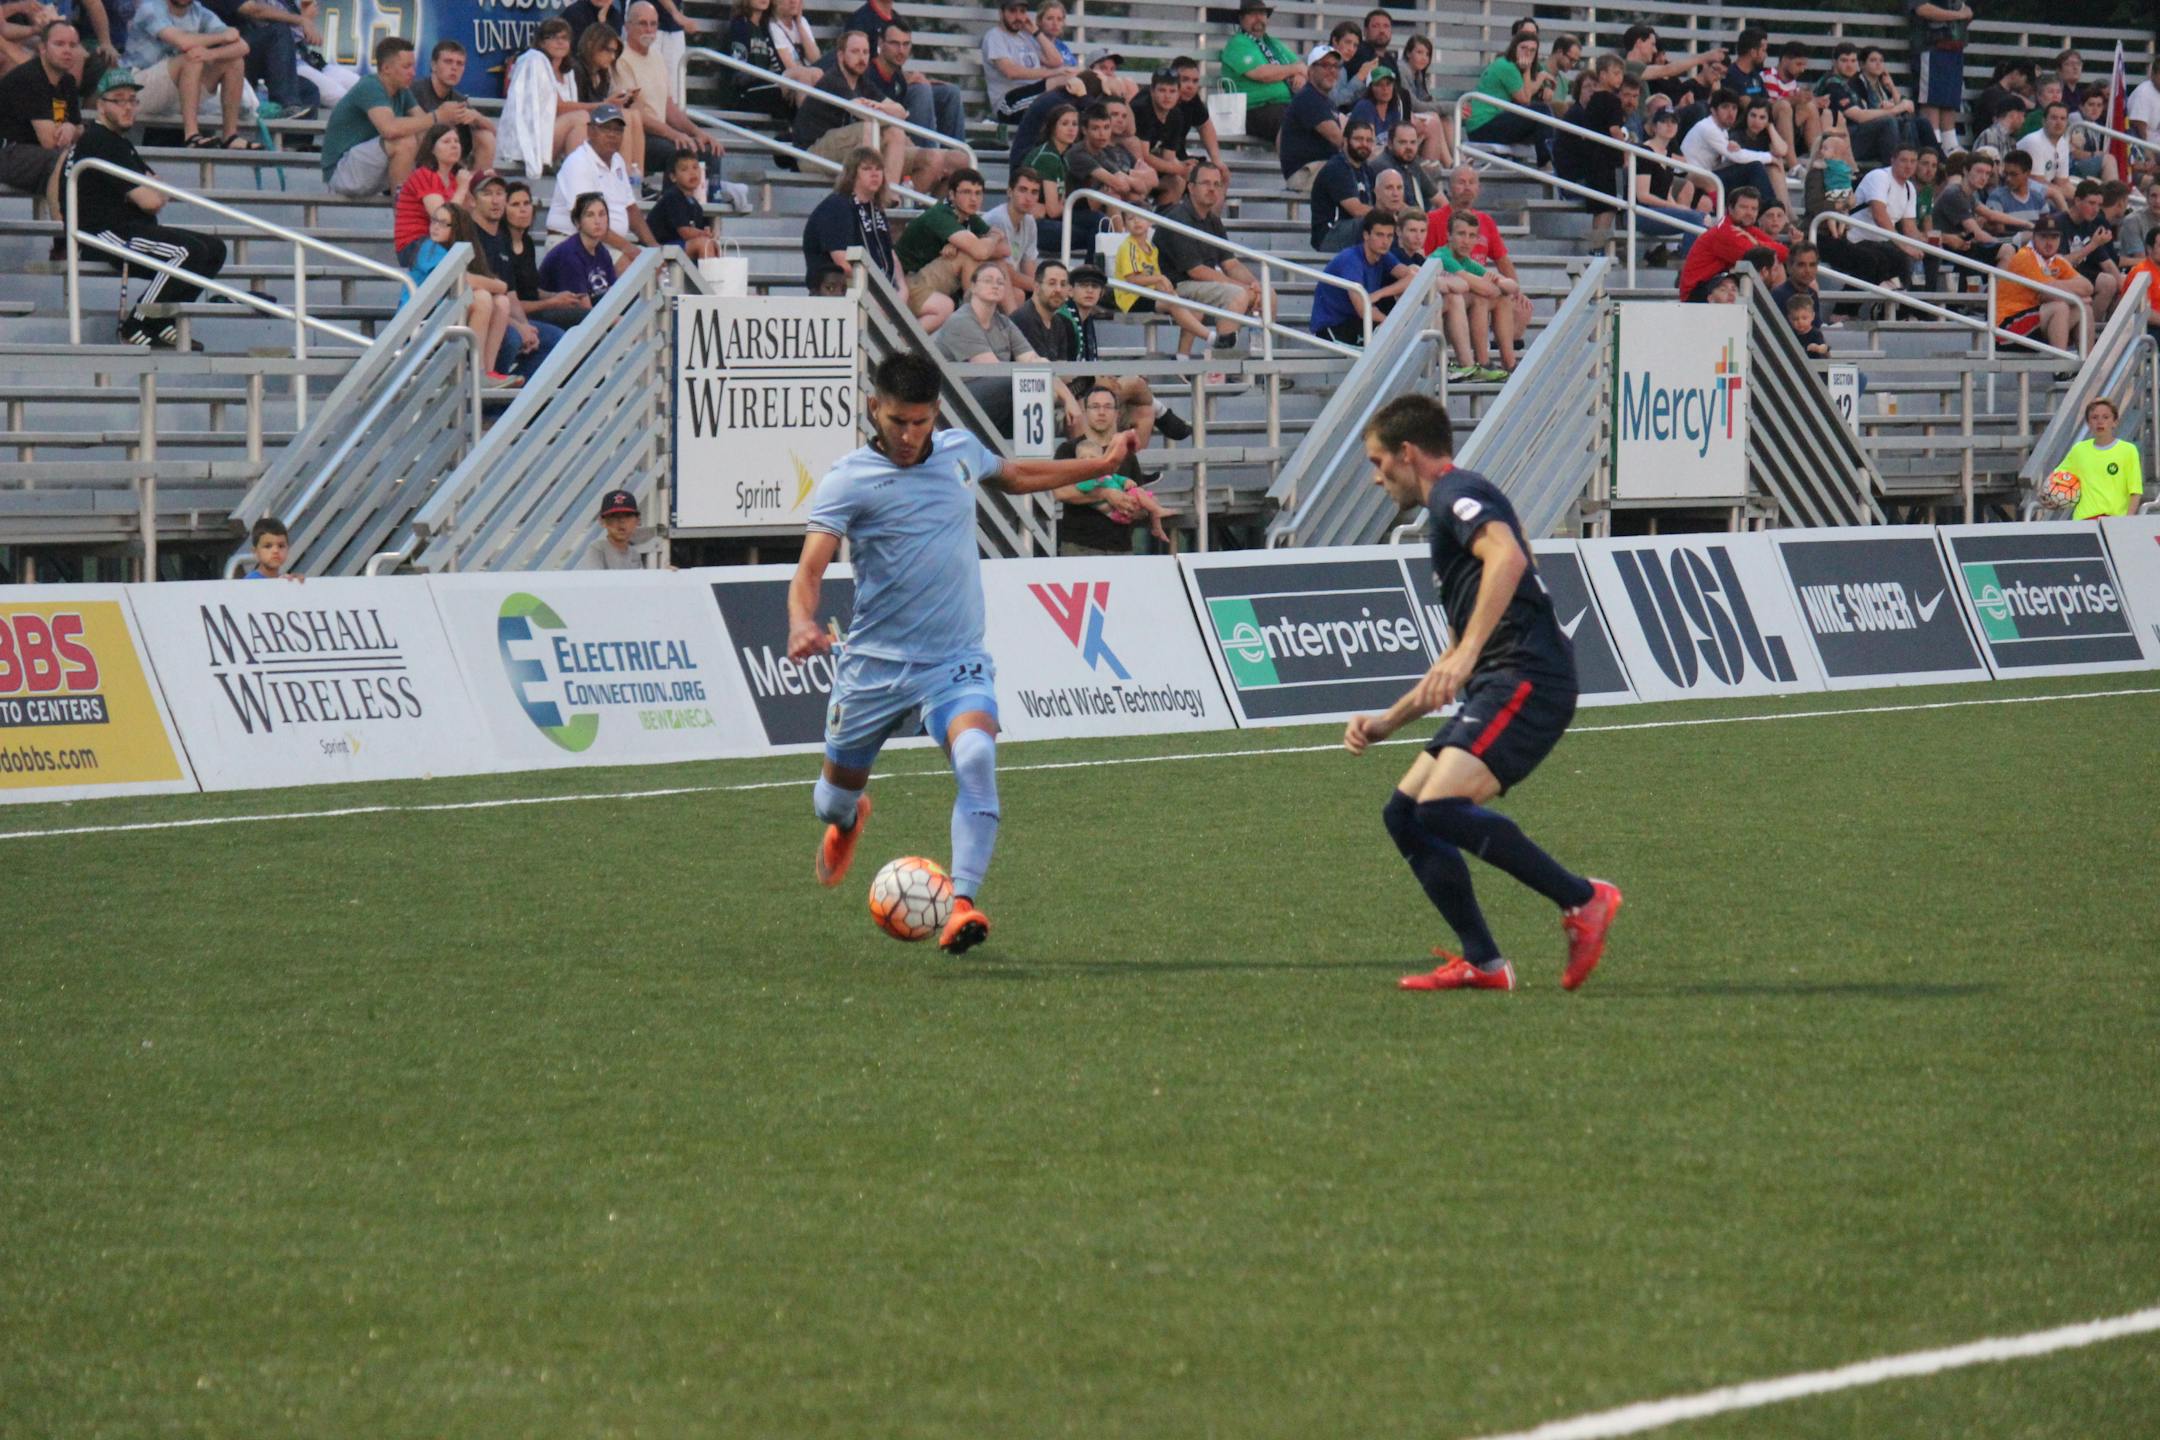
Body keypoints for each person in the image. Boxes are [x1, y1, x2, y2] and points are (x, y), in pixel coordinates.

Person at [788, 351, 1140, 955]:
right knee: (831, 797)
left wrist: (1101, 468)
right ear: (875, 409)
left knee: (976, 754)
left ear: (936, 414)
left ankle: (962, 905)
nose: (908, 435)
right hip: (873, 666)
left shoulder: (957, 452)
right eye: (897, 420)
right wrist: (801, 621)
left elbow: (1016, 475)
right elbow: (811, 569)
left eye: (920, 422)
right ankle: (848, 818)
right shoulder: (848, 479)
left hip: (953, 659)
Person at [1343, 394, 1620, 994]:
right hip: (1498, 680)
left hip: (1529, 677)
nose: (1375, 477)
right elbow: (1452, 657)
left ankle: (1583, 899)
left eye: (1377, 461)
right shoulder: (1443, 521)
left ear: (1407, 453)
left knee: (1438, 808)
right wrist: (1388, 721)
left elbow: (1508, 555)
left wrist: (1470, 653)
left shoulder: (1453, 491)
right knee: (1406, 815)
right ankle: (1484, 963)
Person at [67, 67, 228, 348]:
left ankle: (163, 320)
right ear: (101, 106)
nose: (128, 107)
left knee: (215, 250)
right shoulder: (98, 141)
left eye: (132, 100)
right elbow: (152, 201)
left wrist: (143, 193)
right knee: (186, 252)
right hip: (106, 233)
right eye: (119, 100)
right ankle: (138, 321)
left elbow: (157, 187)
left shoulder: (120, 144)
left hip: (134, 228)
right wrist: (141, 194)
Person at [794, 28, 919, 195]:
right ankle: (866, 195)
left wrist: (880, 107)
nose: (861, 58)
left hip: (840, 147)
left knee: (896, 132)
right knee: (869, 128)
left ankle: (887, 196)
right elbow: (862, 112)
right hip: (810, 153)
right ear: (840, 55)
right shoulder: (833, 80)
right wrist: (880, 110)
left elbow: (901, 113)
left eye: (866, 52)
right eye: (855, 52)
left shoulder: (863, 83)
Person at [406, 202, 519, 388]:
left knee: (502, 302)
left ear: (458, 228)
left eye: (443, 223)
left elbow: (498, 287)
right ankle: (477, 372)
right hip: (421, 318)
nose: (435, 226)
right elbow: (462, 279)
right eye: (434, 220)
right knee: (482, 296)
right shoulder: (429, 248)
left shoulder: (465, 251)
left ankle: (487, 371)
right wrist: (498, 285)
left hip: (447, 315)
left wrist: (499, 287)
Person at [1157, 161, 1264, 349]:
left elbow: (1231, 264)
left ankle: (1264, 368)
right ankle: (1220, 363)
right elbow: (1196, 271)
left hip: (1201, 286)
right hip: (1174, 287)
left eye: (1217, 184)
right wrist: (1243, 288)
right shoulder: (1178, 218)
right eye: (1205, 183)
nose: (1212, 189)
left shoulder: (1213, 220)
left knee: (1267, 295)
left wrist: (1254, 284)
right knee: (1237, 294)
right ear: (1190, 187)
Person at [1054, 385, 1172, 547]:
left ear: (1117, 413)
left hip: (1121, 548)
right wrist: (1106, 493)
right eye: (1095, 407)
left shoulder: (1125, 453)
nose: (1101, 412)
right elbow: (1061, 492)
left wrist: (1135, 507)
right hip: (1079, 547)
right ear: (1086, 412)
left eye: (1108, 407)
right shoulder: (1068, 449)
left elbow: (1139, 503)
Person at [124, 0, 251, 148]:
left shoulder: (200, 12)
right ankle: (191, 135)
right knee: (192, 58)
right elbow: (183, 42)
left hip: (178, 87)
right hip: (137, 88)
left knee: (234, 61)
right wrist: (222, 37)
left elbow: (243, 46)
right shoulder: (150, 7)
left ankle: (230, 137)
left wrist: (211, 54)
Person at [1424, 166, 1531, 340]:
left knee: (1519, 306)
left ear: (1478, 189)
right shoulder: (1434, 220)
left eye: (1471, 183)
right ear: (1450, 189)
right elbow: (1426, 261)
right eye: (1461, 182)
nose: (1467, 187)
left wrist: (1517, 295)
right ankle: (1480, 361)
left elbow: (1502, 260)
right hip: (1451, 290)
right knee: (1481, 299)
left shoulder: (1486, 221)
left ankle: (1507, 361)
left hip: (1480, 286)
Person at [616, 1, 719, 180]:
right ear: (627, 26)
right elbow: (633, 113)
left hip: (661, 133)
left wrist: (697, 132)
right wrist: (673, 134)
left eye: (653, 24)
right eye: (642, 23)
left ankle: (703, 203)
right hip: (637, 135)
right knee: (679, 154)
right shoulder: (621, 59)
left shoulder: (657, 58)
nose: (649, 29)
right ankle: (671, 206)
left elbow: (669, 107)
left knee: (710, 150)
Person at [896, 166, 1001, 332]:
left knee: (1001, 268)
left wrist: (987, 239)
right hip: (907, 283)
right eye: (966, 192)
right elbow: (980, 251)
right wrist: (994, 235)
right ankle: (973, 326)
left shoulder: (969, 217)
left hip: (928, 281)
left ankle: (1005, 328)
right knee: (969, 255)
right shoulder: (940, 214)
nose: (973, 198)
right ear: (952, 195)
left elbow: (1005, 249)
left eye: (978, 193)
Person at [321, 35, 429, 196]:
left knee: (431, 138)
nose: (413, 73)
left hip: (368, 170)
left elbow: (425, 128)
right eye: (406, 67)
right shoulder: (370, 85)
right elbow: (389, 129)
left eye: (413, 66)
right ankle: (404, 215)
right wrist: (437, 116)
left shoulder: (402, 90)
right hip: (342, 173)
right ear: (386, 68)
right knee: (404, 140)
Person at [545, 104, 655, 255]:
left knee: (652, 265)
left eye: (617, 130)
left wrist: (655, 247)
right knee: (632, 268)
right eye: (606, 128)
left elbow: (631, 209)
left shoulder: (618, 161)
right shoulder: (579, 162)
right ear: (590, 130)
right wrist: (629, 249)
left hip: (605, 245)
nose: (612, 135)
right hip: (572, 243)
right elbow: (587, 222)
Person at [0, 18, 81, 209]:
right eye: (59, 44)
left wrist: (71, 128)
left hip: (32, 154)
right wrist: (71, 131)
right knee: (66, 162)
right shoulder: (30, 78)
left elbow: (79, 128)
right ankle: (63, 235)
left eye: (72, 45)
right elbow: (50, 142)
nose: (67, 50)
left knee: (81, 160)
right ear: (43, 49)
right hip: (7, 151)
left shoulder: (67, 81)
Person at [1110, 212, 1211, 357]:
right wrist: (1159, 280)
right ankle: (1211, 337)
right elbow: (1132, 279)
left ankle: (1182, 358)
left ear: (1150, 222)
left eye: (1141, 217)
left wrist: (1167, 289)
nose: (1136, 221)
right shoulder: (1128, 247)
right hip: (1131, 298)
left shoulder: (1152, 249)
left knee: (1195, 309)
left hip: (1149, 294)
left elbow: (1155, 279)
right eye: (1131, 218)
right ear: (1125, 225)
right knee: (1171, 302)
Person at [801, 146, 897, 296]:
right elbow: (843, 263)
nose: (875, 174)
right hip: (838, 292)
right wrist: (880, 296)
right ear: (852, 174)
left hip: (875, 289)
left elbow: (890, 255)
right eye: (866, 169)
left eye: (879, 169)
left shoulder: (875, 209)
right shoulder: (837, 206)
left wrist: (902, 290)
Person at [498, 19, 584, 178]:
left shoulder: (568, 73)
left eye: (564, 38)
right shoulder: (534, 60)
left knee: (628, 116)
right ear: (541, 43)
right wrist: (604, 104)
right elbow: (560, 107)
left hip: (555, 137)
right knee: (581, 118)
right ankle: (574, 179)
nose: (560, 42)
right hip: (534, 140)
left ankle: (631, 177)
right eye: (553, 37)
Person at [201, 0, 316, 118]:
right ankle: (287, 104)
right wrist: (300, 20)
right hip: (219, 61)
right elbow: (254, 10)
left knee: (309, 90)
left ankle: (290, 122)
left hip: (243, 54)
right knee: (277, 32)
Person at [1309, 209, 1407, 347]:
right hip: (1333, 327)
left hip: (1356, 323)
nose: (1385, 241)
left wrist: (1380, 294)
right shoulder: (1351, 259)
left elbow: (1413, 277)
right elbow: (1362, 309)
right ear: (1366, 235)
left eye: (1389, 236)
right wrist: (1392, 323)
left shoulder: (1384, 256)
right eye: (1379, 235)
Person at [859, 18, 963, 148]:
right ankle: (928, 156)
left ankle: (957, 157)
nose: (901, 50)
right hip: (880, 135)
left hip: (899, 124)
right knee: (921, 90)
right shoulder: (868, 74)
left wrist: (925, 82)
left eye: (906, 44)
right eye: (894, 43)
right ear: (880, 43)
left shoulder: (898, 75)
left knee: (951, 92)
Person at [501, 180, 590, 328]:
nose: (523, 210)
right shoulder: (501, 245)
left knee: (580, 307)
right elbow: (510, 303)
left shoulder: (527, 242)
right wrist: (551, 303)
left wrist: (559, 296)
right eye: (515, 205)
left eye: (527, 203)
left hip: (538, 308)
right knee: (585, 317)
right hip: (519, 317)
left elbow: (531, 290)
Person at [1434, 210, 1508, 379]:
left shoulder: (1466, 262)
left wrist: (1496, 285)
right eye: (1461, 234)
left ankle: (1504, 364)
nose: (1466, 241)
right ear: (1448, 235)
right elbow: (1485, 289)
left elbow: (1512, 287)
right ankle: (1473, 364)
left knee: (1501, 298)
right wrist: (1493, 285)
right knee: (1471, 297)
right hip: (1428, 326)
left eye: (1471, 236)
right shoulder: (1441, 256)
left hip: (1447, 326)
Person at [1994, 218, 2089, 350]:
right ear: (2034, 238)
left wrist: (2063, 288)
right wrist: (2077, 295)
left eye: (2054, 237)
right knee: (2059, 307)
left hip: (2032, 323)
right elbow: (2050, 293)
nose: (2049, 243)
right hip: (2006, 328)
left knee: (2084, 309)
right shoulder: (2025, 257)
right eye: (2044, 237)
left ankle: (2087, 367)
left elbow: (2088, 286)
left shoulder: (2056, 261)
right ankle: (2060, 368)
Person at [1677, 185, 1784, 301]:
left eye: (1754, 209)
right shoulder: (1725, 231)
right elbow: (1760, 258)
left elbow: (1784, 252)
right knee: (1769, 265)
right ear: (1730, 209)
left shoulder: (1748, 229)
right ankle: (1777, 306)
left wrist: (1757, 242)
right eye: (1743, 207)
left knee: (1773, 263)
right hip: (1697, 293)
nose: (1749, 213)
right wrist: (1759, 245)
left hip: (1717, 283)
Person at [1463, 31, 1554, 165]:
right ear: (1514, 48)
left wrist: (1540, 78)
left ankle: (1549, 162)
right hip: (1483, 126)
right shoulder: (1507, 67)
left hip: (1484, 125)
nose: (1527, 53)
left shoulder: (1506, 64)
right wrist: (1528, 70)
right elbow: (1525, 99)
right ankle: (1547, 164)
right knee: (1542, 112)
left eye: (1532, 51)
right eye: (1523, 48)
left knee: (1543, 119)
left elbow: (1524, 92)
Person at [1218, 0, 1301, 145]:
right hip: (1254, 110)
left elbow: (1301, 65)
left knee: (1319, 116)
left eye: (1262, 13)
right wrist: (1295, 70)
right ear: (1241, 18)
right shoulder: (1238, 43)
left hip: (1283, 106)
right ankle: (1298, 166)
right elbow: (1262, 74)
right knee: (1294, 123)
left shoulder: (1272, 43)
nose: (1259, 18)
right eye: (1252, 14)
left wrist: (1300, 74)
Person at [408, 38, 495, 175]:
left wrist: (476, 117)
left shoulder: (458, 99)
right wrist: (439, 117)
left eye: (460, 63)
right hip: (416, 164)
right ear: (434, 65)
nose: (454, 67)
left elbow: (494, 131)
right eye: (448, 61)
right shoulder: (415, 91)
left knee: (486, 136)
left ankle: (477, 189)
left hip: (451, 164)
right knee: (427, 130)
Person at [390, 121, 468, 266]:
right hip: (415, 243)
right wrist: (463, 188)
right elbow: (443, 218)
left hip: (439, 241)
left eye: (457, 141)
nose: (454, 145)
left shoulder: (454, 179)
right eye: (446, 141)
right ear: (432, 149)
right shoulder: (424, 174)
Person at [2054, 397, 2145, 519]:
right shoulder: (2079, 450)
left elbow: (2135, 491)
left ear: (2115, 422)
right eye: (2095, 417)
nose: (2100, 422)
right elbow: (2057, 478)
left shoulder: (2128, 450)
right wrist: (2048, 495)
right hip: (2084, 521)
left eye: (2105, 417)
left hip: (2115, 521)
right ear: (2088, 423)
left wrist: (2126, 521)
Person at [1682, 89, 1775, 203]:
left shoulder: (1723, 130)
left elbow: (1728, 159)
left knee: (1753, 168)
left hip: (1708, 175)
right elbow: (1737, 157)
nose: (1731, 113)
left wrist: (1736, 151)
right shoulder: (1708, 128)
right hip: (1695, 180)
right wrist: (1770, 157)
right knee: (1754, 167)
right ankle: (1771, 208)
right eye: (1725, 107)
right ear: (1713, 110)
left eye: (1734, 108)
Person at [980, 0, 1065, 123]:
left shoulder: (1026, 37)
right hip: (1009, 104)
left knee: (1079, 83)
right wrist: (1054, 74)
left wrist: (1036, 31)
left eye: (1022, 12)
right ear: (1001, 13)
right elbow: (1010, 72)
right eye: (1012, 11)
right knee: (1067, 79)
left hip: (1033, 97)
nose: (1018, 17)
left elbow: (1056, 61)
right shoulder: (995, 37)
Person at [1908, 0, 1972, 151]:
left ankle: (1950, 145)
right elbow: (1922, 9)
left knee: (1950, 100)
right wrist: (1958, 15)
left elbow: (1967, 10)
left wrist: (1964, 13)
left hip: (1954, 46)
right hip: (1931, 45)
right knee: (1931, 100)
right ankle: (1932, 145)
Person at [540, 191, 621, 305]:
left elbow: (615, 293)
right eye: (590, 215)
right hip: (566, 315)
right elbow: (583, 308)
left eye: (602, 214)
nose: (598, 221)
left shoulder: (601, 251)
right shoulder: (569, 254)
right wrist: (622, 320)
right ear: (578, 222)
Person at [1277, 46, 1343, 186]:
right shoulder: (1309, 97)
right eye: (1325, 65)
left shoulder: (1323, 100)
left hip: (1316, 169)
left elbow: (1279, 137)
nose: (1332, 71)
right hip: (1307, 173)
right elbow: (1339, 139)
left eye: (1335, 66)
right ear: (1310, 70)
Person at [1310, 118, 1379, 249]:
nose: (1364, 144)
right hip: (1330, 234)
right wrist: (1390, 216)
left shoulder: (1367, 170)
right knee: (1377, 223)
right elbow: (1357, 210)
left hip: (1354, 231)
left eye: (1369, 140)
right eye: (1358, 139)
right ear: (1346, 141)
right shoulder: (1337, 168)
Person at [647, 147, 718, 261]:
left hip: (677, 246)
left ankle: (712, 278)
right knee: (704, 245)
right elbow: (685, 232)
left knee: (714, 245)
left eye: (695, 168)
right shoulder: (673, 197)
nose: (692, 173)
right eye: (685, 169)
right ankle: (708, 279)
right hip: (658, 247)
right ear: (673, 177)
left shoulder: (695, 205)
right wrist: (704, 234)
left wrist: (706, 235)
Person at [581, 487, 657, 568]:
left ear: (637, 520)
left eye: (627, 516)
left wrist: (665, 574)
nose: (621, 521)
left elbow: (641, 580)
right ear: (602, 521)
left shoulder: (634, 554)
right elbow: (596, 579)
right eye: (614, 516)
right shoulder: (597, 549)